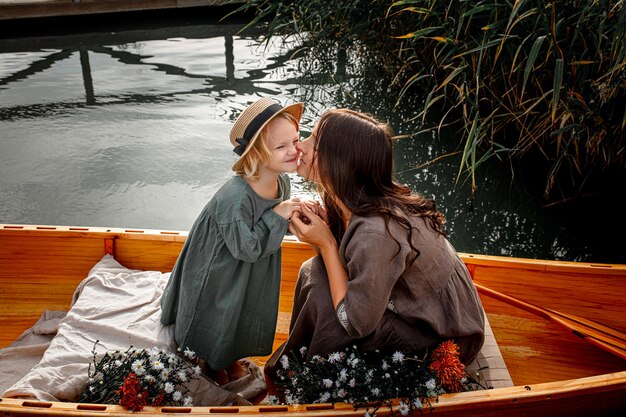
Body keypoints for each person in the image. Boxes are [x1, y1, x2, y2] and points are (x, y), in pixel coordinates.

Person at [265, 109, 485, 385]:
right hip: (421, 306)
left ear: (338, 163)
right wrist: (327, 232)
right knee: (317, 271)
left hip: (441, 331)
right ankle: (299, 367)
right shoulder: (349, 194)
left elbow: (356, 323)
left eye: (314, 144)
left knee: (323, 294)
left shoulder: (376, 232)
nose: (301, 146)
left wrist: (327, 244)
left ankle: (311, 382)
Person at [160, 97, 306, 384]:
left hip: (252, 266)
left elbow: (272, 223)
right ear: (257, 153)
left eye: (296, 140)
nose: (294, 151)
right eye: (281, 146)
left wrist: (292, 217)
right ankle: (212, 363)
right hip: (220, 267)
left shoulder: (282, 182)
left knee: (246, 307)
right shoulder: (236, 197)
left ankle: (231, 354)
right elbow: (246, 246)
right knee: (218, 311)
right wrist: (278, 215)